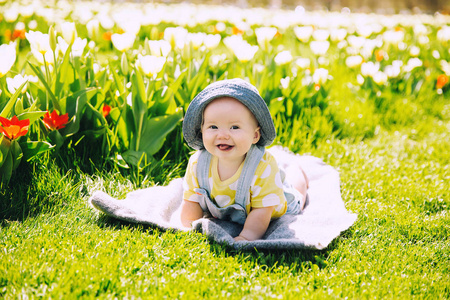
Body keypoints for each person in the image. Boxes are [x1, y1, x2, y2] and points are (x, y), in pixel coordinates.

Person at [181, 78, 309, 241]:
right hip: (241, 204)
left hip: (268, 204)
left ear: (255, 135)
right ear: (202, 130)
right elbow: (191, 201)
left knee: (296, 197)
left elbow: (261, 212)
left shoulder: (261, 167)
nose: (223, 135)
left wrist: (246, 236)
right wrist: (188, 227)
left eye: (234, 127)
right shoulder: (198, 164)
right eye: (213, 127)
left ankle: (297, 172)